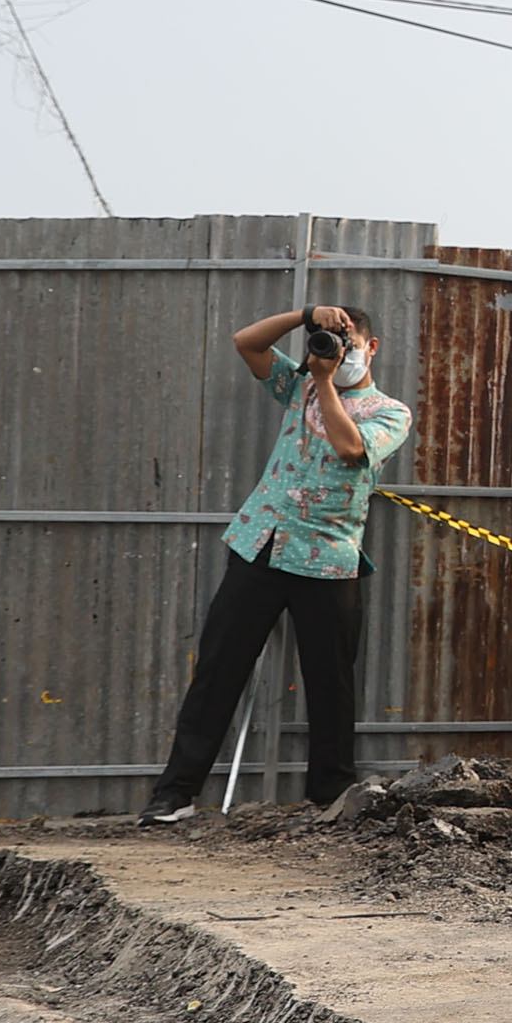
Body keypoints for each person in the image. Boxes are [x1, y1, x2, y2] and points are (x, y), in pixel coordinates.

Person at [140, 301, 415, 819]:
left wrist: (328, 382)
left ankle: (330, 794)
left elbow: (351, 448)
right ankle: (174, 794)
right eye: (333, 341)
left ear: (372, 348)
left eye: (350, 342)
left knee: (330, 682)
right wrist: (305, 315)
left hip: (330, 558)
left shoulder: (389, 411)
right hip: (260, 544)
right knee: (218, 671)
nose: (339, 350)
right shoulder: (298, 386)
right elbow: (246, 342)